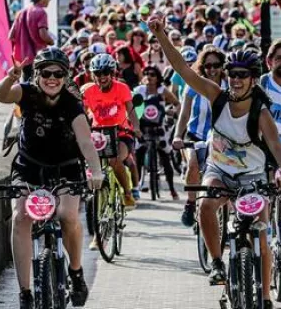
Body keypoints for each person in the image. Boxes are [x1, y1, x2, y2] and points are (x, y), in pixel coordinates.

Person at [149, 17, 281, 309]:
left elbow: (277, 146)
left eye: (243, 75)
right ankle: (217, 262)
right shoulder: (217, 97)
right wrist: (161, 35)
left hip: (252, 176)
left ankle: (265, 296)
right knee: (205, 203)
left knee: (262, 236)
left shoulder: (261, 112)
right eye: (232, 74)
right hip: (220, 170)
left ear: (254, 79)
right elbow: (182, 69)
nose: (236, 79)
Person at [0, 47, 104, 309]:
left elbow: (86, 142)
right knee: (21, 218)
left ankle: (76, 274)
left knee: (68, 216)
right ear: (37, 74)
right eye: (45, 72)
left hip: (65, 168)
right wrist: (10, 78)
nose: (52, 78)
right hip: (29, 167)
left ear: (65, 76)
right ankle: (26, 293)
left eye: (58, 73)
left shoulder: (71, 102)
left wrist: (95, 171)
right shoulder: (26, 93)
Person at [81, 53, 141, 214]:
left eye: (106, 72)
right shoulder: (88, 91)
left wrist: (135, 126)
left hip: (122, 133)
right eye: (98, 73)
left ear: (112, 72)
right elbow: (82, 114)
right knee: (87, 163)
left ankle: (127, 194)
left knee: (114, 160)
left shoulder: (122, 88)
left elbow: (131, 110)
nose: (102, 77)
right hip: (98, 135)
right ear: (92, 74)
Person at [173, 46, 226, 226]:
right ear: (202, 67)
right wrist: (178, 136)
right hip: (194, 135)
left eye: (216, 65)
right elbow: (185, 113)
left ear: (222, 66)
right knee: (193, 163)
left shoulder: (228, 86)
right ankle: (190, 203)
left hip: (221, 138)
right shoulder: (194, 85)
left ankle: (227, 218)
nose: (212, 69)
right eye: (208, 65)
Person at [133, 65, 180, 199]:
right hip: (142, 129)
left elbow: (177, 103)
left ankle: (172, 189)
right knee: (139, 156)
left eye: (153, 74)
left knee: (166, 156)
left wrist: (172, 111)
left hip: (159, 129)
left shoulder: (162, 90)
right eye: (146, 73)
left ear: (158, 77)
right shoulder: (139, 90)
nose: (149, 76)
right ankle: (135, 188)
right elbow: (132, 107)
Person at [8, 0, 55, 81]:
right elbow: (43, 35)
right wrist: (51, 41)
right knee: (37, 86)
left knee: (26, 85)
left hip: (23, 59)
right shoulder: (41, 12)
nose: (50, 0)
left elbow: (11, 36)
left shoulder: (21, 12)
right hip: (38, 57)